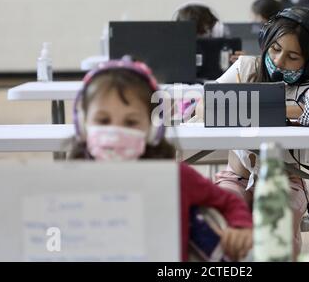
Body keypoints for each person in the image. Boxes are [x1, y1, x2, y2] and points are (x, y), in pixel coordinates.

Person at [70, 57, 253, 262]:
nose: (115, 132)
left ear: (153, 129)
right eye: (103, 120)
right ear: (83, 124)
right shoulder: (70, 184)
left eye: (131, 122)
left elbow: (228, 201)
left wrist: (241, 228)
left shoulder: (177, 177)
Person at [193, 7, 309, 259]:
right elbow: (204, 106)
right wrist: (274, 108)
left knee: (278, 227)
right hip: (237, 178)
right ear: (266, 43)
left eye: (292, 56)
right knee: (220, 225)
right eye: (276, 49)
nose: (279, 61)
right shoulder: (245, 67)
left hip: (287, 182)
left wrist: (245, 106)